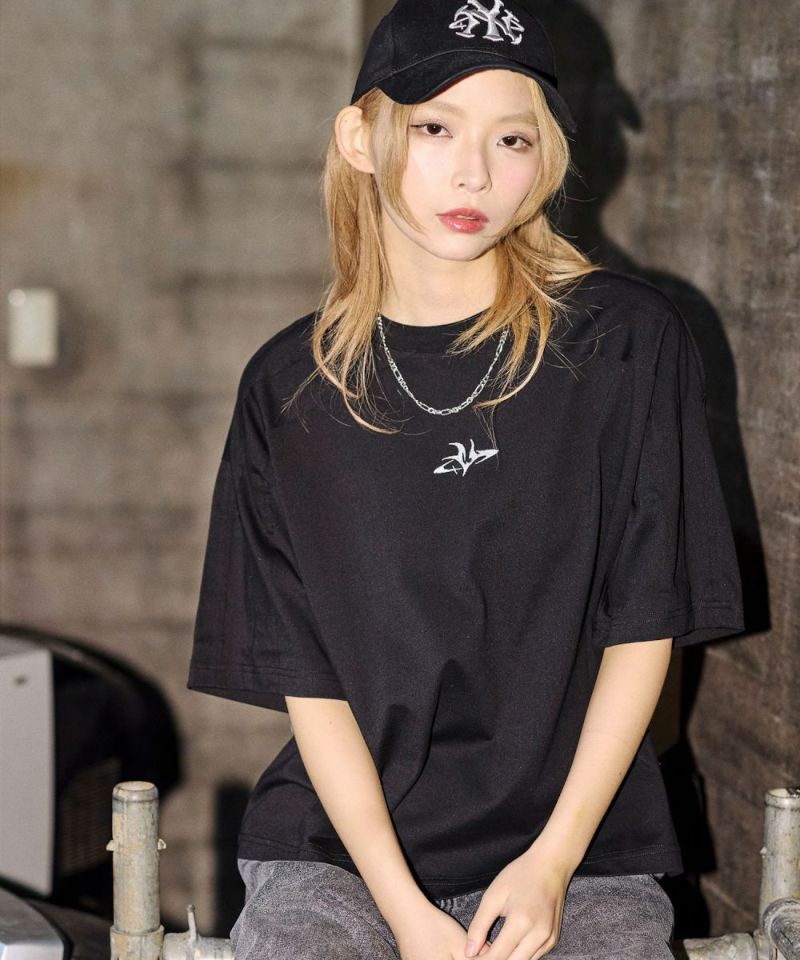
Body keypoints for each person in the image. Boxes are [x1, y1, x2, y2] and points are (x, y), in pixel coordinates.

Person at [187, 1, 745, 958]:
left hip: (581, 845)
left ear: (546, 158)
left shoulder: (624, 344)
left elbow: (645, 622)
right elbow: (309, 683)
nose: (475, 174)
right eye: (435, 128)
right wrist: (406, 913)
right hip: (344, 855)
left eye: (512, 138)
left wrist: (551, 865)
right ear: (359, 139)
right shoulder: (290, 390)